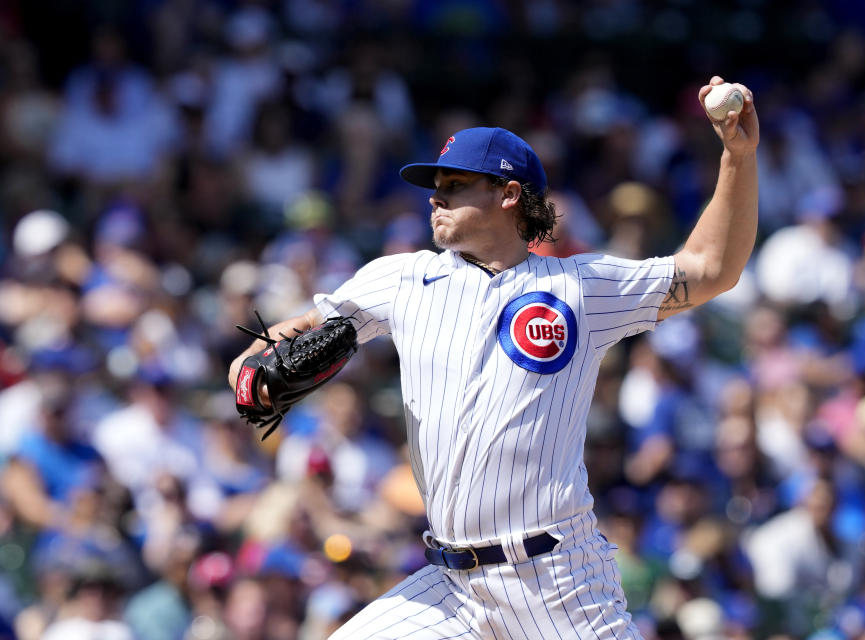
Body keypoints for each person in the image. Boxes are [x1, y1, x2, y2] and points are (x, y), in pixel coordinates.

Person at [228, 75, 758, 639]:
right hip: (449, 587)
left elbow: (709, 268)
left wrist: (736, 156)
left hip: (556, 581)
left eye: (455, 185)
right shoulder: (401, 278)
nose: (436, 197)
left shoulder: (578, 286)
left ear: (508, 194)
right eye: (435, 186)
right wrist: (251, 367)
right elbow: (293, 334)